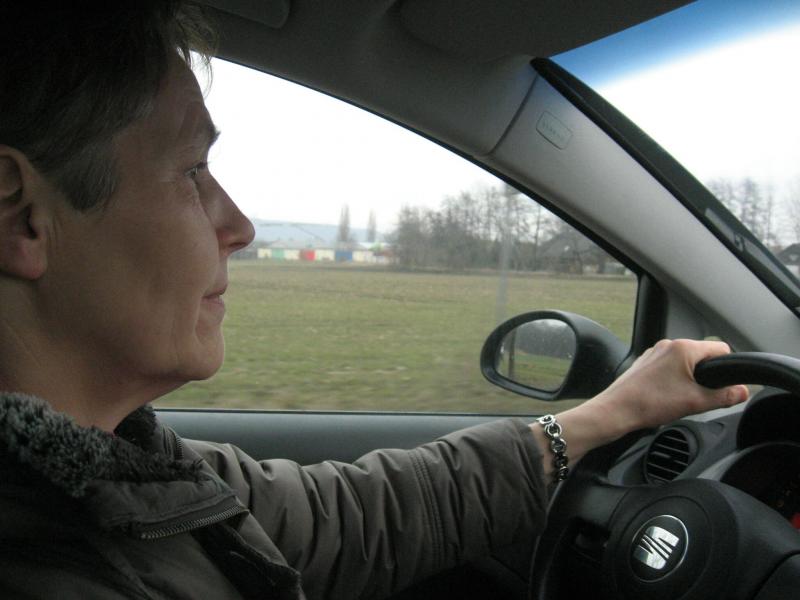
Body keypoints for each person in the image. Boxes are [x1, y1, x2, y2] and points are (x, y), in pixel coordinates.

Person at [0, 3, 749, 599]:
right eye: (193, 169)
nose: (240, 227)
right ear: (20, 216)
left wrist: (611, 413)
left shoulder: (134, 475)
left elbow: (354, 516)